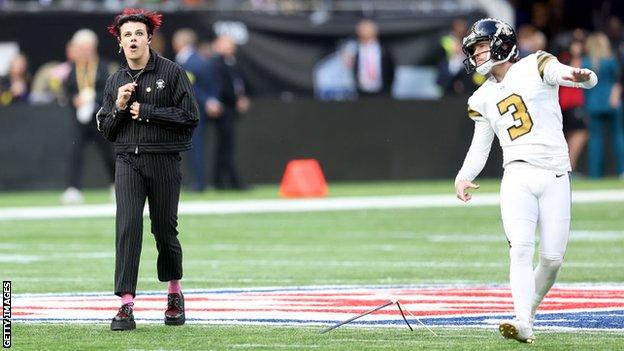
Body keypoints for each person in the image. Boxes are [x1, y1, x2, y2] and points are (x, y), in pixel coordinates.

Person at [454, 18, 597, 343]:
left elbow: (565, 74)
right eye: (473, 50)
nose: (476, 55)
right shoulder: (481, 97)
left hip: (556, 173)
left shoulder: (536, 64)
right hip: (517, 174)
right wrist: (464, 175)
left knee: (551, 259)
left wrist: (581, 77)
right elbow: (481, 144)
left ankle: (527, 312)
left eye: (480, 47)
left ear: (501, 44)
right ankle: (521, 321)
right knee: (520, 249)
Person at [97, 8, 199, 331]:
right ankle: (126, 304)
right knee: (127, 227)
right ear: (119, 42)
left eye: (138, 34)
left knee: (164, 230)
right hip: (127, 160)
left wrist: (146, 111)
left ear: (149, 38)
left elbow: (189, 117)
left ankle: (174, 292)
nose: (133, 40)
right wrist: (119, 107)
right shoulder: (115, 80)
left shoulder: (172, 73)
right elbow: (108, 130)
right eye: (127, 35)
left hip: (164, 159)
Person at [61, 29, 116, 204]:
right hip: (80, 120)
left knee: (109, 153)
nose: (86, 50)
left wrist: (94, 97)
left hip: (100, 119)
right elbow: (67, 92)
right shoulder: (72, 68)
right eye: (82, 47)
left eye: (88, 47)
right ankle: (73, 189)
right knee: (74, 153)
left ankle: (117, 185)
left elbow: (109, 90)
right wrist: (75, 100)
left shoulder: (102, 65)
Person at [206, 35, 250, 190]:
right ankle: (230, 181)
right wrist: (235, 99)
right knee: (225, 147)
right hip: (224, 109)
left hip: (230, 109)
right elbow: (221, 87)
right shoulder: (216, 63)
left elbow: (239, 83)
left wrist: (242, 97)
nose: (231, 47)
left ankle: (220, 180)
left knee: (226, 147)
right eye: (227, 44)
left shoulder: (231, 62)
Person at [172, 28, 213, 192]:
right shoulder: (199, 59)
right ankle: (198, 181)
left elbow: (189, 87)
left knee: (195, 147)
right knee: (194, 147)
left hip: (191, 110)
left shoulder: (189, 61)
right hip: (194, 109)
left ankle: (199, 183)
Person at [582, 32, 624, 179]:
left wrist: (585, 107)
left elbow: (583, 88)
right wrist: (615, 95)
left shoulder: (586, 62)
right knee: (618, 136)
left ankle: (594, 175)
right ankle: (622, 171)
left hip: (593, 103)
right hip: (612, 101)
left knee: (595, 139)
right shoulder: (611, 60)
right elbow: (619, 80)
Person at [345, 19, 395, 97]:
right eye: (363, 30)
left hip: (382, 93)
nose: (366, 33)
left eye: (368, 30)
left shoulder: (384, 50)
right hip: (361, 94)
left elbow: (391, 71)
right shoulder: (354, 49)